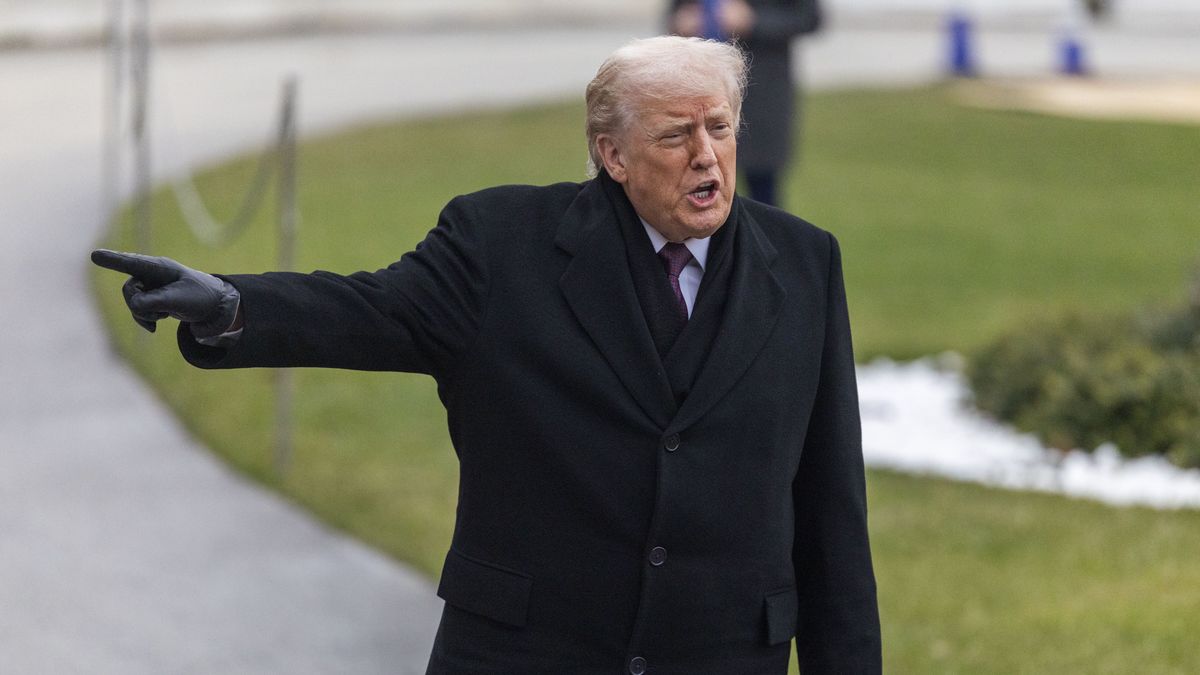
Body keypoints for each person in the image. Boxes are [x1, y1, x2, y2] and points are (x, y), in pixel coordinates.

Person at [93, 36, 880, 675]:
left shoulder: (806, 264)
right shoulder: (501, 247)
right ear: (612, 154)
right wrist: (234, 304)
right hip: (529, 650)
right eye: (676, 134)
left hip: (725, 655)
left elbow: (830, 510)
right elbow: (374, 310)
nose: (707, 156)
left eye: (720, 127)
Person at [669, 0, 823, 208]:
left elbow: (809, 18)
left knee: (762, 195)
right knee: (697, 189)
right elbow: (674, 14)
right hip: (698, 87)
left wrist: (754, 21)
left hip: (760, 93)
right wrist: (681, 21)